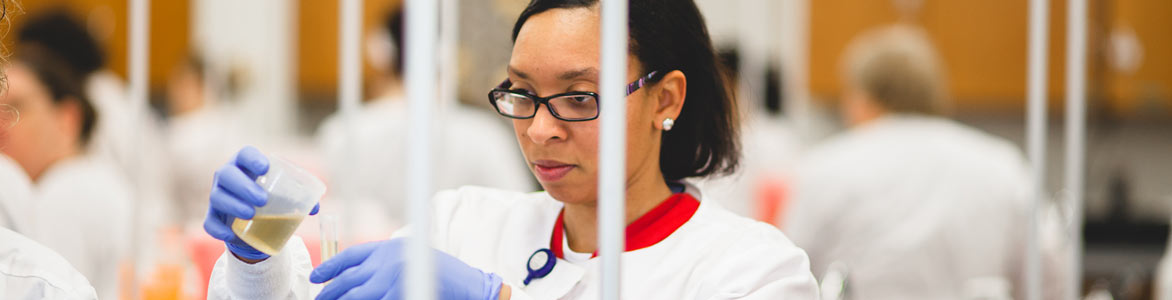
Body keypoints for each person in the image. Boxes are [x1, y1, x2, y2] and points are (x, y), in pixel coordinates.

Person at [204, 0, 819, 298]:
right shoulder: (461, 223)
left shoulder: (752, 270)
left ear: (666, 100)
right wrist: (257, 257)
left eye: (579, 98)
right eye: (522, 94)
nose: (540, 130)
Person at [781, 24, 1069, 299]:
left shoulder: (825, 166)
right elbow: (1048, 278)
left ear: (862, 98)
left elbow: (789, 274)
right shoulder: (1003, 164)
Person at [315, 6, 534, 240]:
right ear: (448, 55)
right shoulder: (483, 136)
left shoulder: (340, 132)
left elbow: (330, 213)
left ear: (380, 53)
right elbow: (524, 216)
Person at [0, 47, 134, 300]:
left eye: (16, 107)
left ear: (67, 118)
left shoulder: (63, 195)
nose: (1, 121)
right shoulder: (98, 177)